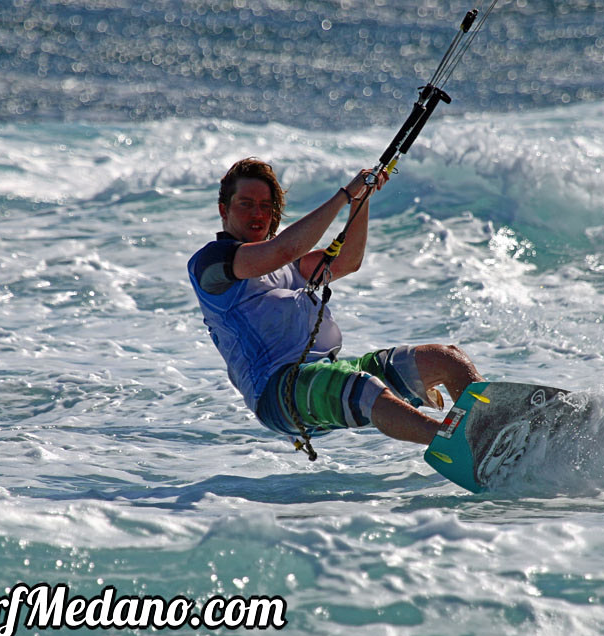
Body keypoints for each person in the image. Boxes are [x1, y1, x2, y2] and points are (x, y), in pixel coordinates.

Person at [187, 157, 483, 448]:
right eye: (246, 204)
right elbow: (283, 249)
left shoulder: (289, 264)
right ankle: (460, 446)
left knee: (447, 359)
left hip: (326, 374)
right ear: (223, 210)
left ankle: (494, 427)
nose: (258, 213)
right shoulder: (212, 263)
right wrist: (345, 195)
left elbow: (347, 261)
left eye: (266, 206)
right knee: (366, 389)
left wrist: (361, 201)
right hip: (277, 393)